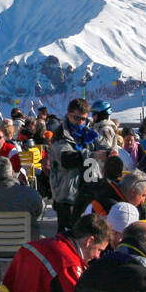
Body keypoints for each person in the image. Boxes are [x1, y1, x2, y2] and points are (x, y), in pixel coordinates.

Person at [48, 98, 96, 234]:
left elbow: (103, 145)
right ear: (68, 115)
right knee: (67, 236)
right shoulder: (60, 135)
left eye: (83, 119)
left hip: (87, 190)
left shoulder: (88, 133)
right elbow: (67, 159)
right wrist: (93, 155)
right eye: (76, 118)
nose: (80, 122)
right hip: (66, 192)